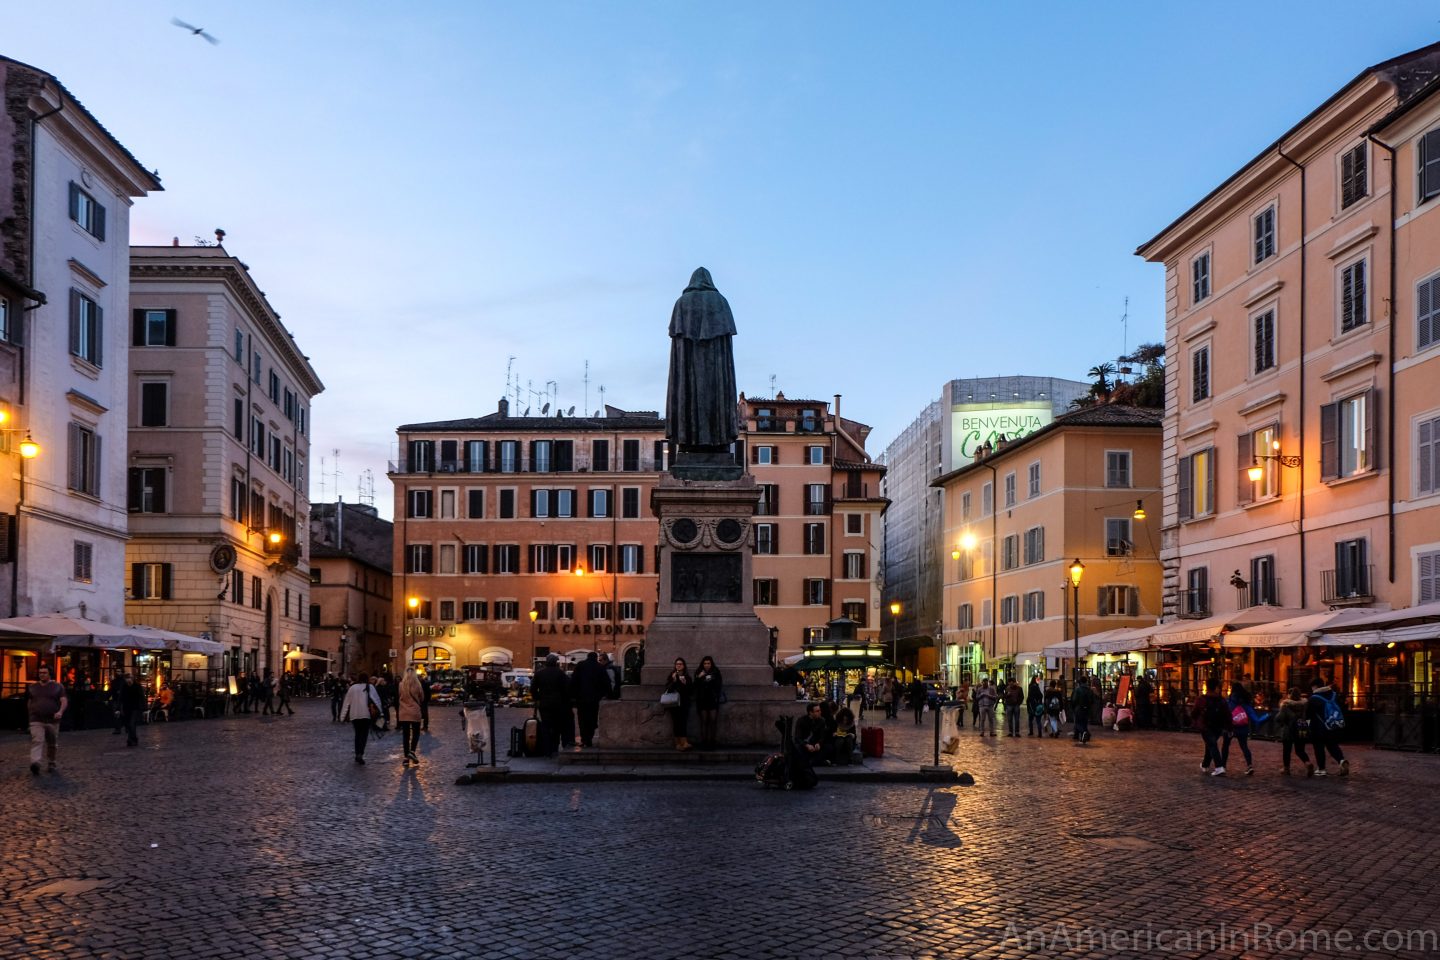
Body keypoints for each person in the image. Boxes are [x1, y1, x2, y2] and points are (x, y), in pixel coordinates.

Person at [27, 665, 67, 775]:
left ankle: (51, 762)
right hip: (36, 719)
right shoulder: (32, 687)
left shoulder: (58, 686)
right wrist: (30, 713)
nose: (42, 674)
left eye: (44, 672)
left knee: (52, 743)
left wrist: (60, 712)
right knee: (37, 740)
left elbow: (63, 700)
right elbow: (30, 701)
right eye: (40, 672)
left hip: (52, 720)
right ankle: (35, 763)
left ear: (49, 674)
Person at [1307, 678, 1349, 777]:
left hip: (1318, 728)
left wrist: (1307, 727)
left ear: (1315, 686)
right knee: (1332, 745)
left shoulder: (1313, 699)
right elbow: (1343, 707)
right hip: (1334, 725)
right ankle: (1341, 760)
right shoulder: (1334, 695)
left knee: (1319, 747)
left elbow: (1309, 715)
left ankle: (1321, 769)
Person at [532, 654, 572, 755]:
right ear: (556, 662)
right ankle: (555, 746)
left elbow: (533, 689)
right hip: (559, 704)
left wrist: (537, 698)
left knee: (546, 726)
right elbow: (567, 688)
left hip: (544, 704)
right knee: (558, 725)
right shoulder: (561, 673)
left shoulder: (539, 673)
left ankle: (547, 748)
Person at [570, 651, 612, 749]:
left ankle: (584, 739)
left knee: (582, 719)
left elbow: (574, 681)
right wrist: (609, 694)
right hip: (594, 699)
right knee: (592, 718)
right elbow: (606, 682)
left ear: (587, 657)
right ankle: (589, 737)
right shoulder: (599, 667)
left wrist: (572, 695)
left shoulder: (580, 665)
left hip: (581, 698)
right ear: (596, 658)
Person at [339, 673, 383, 764]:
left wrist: (342, 716)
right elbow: (376, 700)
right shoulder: (370, 687)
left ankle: (357, 753)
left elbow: (346, 702)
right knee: (364, 735)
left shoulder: (352, 688)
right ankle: (360, 753)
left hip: (354, 715)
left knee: (357, 734)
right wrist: (381, 712)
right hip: (366, 714)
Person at [1192, 679, 1232, 775]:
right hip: (1218, 726)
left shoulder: (1201, 699)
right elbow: (1228, 714)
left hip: (1206, 726)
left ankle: (1219, 767)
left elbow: (1194, 713)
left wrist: (1195, 721)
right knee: (1210, 744)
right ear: (1216, 687)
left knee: (1212, 744)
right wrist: (1229, 727)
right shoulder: (1222, 700)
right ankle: (1205, 765)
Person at [1221, 678, 1256, 775]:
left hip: (1230, 726)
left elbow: (1226, 711)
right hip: (1243, 726)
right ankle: (1249, 765)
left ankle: (1223, 766)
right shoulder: (1245, 699)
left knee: (1225, 746)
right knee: (1244, 746)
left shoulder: (1230, 699)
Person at [1276, 687, 1315, 776]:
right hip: (1301, 728)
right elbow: (1308, 717)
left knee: (1287, 750)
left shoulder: (1285, 705)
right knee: (1300, 750)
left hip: (1288, 730)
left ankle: (1286, 769)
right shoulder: (1305, 704)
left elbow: (1279, 718)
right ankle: (1307, 763)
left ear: (1290, 695)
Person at [692, 655, 724, 750]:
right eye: (705, 663)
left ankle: (712, 741)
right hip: (702, 700)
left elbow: (719, 685)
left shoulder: (715, 672)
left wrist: (712, 680)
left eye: (708, 663)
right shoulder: (699, 672)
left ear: (711, 664)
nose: (707, 665)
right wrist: (699, 677)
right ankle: (704, 741)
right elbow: (695, 686)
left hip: (712, 699)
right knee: (704, 721)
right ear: (702, 664)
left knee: (713, 721)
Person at [397, 668, 425, 765]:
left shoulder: (401, 685)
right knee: (416, 733)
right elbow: (422, 698)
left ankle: (406, 757)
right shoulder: (418, 685)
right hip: (415, 712)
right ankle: (412, 751)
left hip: (404, 712)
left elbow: (399, 696)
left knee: (406, 735)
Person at [665, 657, 694, 750]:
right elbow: (668, 690)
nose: (679, 665)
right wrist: (673, 681)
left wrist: (685, 683)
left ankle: (684, 742)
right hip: (674, 703)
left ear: (684, 666)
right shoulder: (672, 676)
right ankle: (678, 743)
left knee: (683, 723)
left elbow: (690, 692)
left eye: (681, 664)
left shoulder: (687, 677)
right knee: (676, 723)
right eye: (677, 664)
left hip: (684, 703)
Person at [119, 673, 144, 747]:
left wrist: (144, 708)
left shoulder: (137, 686)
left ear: (132, 679)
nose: (128, 680)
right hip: (126, 708)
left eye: (129, 678)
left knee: (132, 724)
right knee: (128, 725)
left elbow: (141, 697)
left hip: (135, 708)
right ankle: (131, 739)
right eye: (126, 679)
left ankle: (133, 739)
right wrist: (118, 708)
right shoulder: (124, 687)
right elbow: (120, 698)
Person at [1071, 677, 1095, 743]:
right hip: (1087, 709)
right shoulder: (1090, 690)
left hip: (1079, 708)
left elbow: (1074, 700)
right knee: (1084, 723)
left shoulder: (1078, 690)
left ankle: (1084, 733)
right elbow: (1092, 700)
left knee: (1078, 723)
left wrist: (1073, 707)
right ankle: (1083, 736)